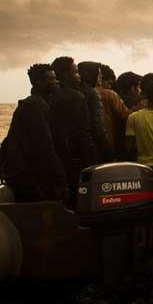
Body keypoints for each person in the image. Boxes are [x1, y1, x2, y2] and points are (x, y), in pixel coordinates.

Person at [0, 64, 67, 202]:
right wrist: (61, 177)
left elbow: (9, 140)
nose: (56, 82)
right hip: (31, 178)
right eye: (51, 79)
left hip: (23, 175)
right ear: (39, 82)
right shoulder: (35, 107)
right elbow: (45, 147)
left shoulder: (33, 104)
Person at [51, 56, 96, 201]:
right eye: (75, 72)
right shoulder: (76, 98)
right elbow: (84, 132)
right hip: (74, 157)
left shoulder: (48, 97)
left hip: (55, 157)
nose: (79, 76)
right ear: (65, 75)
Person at [78, 61, 113, 162]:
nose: (101, 76)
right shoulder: (93, 93)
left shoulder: (78, 91)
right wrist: (108, 148)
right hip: (94, 146)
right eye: (98, 73)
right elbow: (98, 125)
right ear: (90, 74)